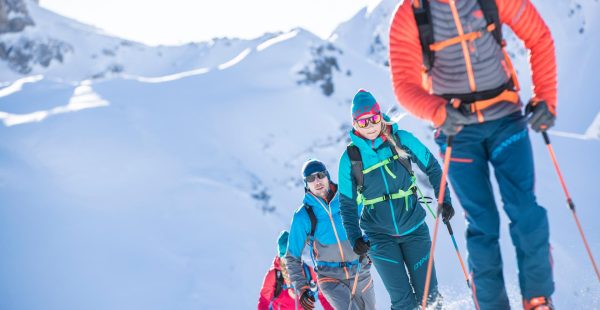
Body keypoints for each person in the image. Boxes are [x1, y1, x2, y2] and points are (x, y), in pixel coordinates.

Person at [389, 0, 556, 309]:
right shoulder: (410, 15)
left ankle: (537, 299)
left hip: (506, 119)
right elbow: (404, 85)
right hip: (458, 131)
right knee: (482, 223)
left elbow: (539, 37)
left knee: (525, 210)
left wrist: (546, 97)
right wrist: (437, 111)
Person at [338, 89, 455, 309]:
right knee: (403, 302)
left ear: (380, 116)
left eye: (373, 118)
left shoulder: (400, 139)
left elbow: (432, 166)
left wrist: (444, 199)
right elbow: (347, 205)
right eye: (363, 123)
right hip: (379, 238)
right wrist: (355, 238)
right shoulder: (350, 159)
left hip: (414, 229)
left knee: (430, 297)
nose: (370, 126)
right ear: (355, 125)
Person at [286, 159, 376, 310]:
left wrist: (368, 245)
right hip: (330, 277)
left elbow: (373, 219)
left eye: (320, 175)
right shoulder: (303, 216)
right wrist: (301, 288)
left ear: (327, 176)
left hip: (360, 269)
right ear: (306, 184)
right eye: (310, 178)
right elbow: (292, 256)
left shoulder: (348, 198)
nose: (317, 181)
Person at [258, 230, 333, 310]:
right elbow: (264, 301)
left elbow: (323, 296)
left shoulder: (308, 272)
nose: (290, 262)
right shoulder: (275, 275)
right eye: (286, 258)